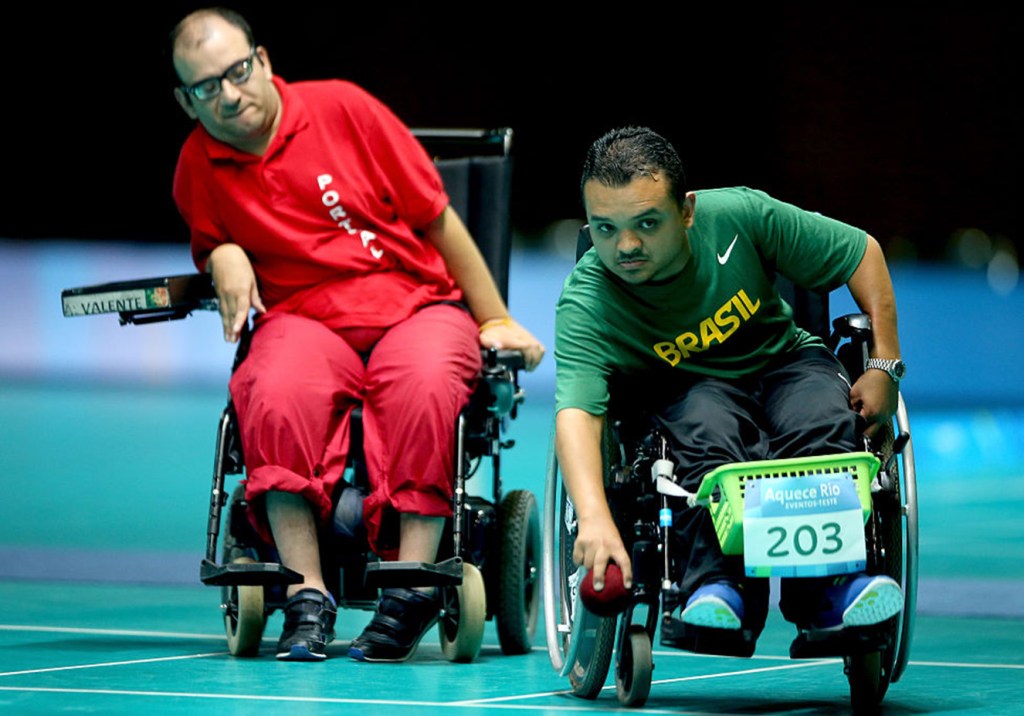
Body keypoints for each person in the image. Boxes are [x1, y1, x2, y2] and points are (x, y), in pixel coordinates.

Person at [169, 7, 544, 662]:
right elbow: (210, 241)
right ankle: (305, 592)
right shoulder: (199, 164)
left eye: (235, 72)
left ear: (262, 62)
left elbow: (440, 222)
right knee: (271, 385)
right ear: (186, 100)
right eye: (206, 87)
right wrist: (222, 253)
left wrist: (494, 318)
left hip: (415, 304)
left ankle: (414, 586)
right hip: (304, 320)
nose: (227, 95)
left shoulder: (344, 108)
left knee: (425, 382)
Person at [555, 126, 905, 647]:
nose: (626, 246)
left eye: (647, 223)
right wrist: (595, 518)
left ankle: (829, 590)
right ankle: (720, 589)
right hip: (691, 390)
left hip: (785, 362)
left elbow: (862, 253)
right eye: (605, 229)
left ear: (687, 211)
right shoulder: (587, 302)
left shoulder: (740, 216)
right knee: (706, 432)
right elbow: (577, 413)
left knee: (823, 422)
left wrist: (883, 364)